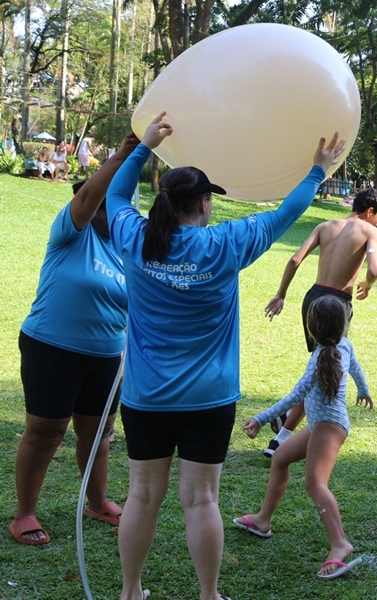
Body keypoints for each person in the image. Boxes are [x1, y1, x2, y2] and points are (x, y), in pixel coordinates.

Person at [106, 112, 345, 600]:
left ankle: (131, 592)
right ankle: (208, 594)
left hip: (146, 396)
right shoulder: (225, 243)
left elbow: (114, 197)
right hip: (208, 398)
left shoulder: (135, 236)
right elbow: (286, 213)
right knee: (200, 500)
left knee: (142, 497)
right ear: (204, 203)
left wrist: (142, 147)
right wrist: (318, 170)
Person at [10, 132, 139, 547]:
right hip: (52, 347)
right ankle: (25, 513)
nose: (100, 206)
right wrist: (121, 156)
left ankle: (97, 501)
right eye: (96, 199)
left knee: (98, 433)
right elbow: (84, 203)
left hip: (106, 356)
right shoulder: (71, 233)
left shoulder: (127, 248)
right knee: (45, 432)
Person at [234, 296, 373, 579]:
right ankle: (262, 520)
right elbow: (357, 368)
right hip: (323, 424)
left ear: (311, 328)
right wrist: (364, 390)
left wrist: (260, 419)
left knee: (315, 484)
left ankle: (339, 543)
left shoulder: (321, 356)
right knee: (281, 458)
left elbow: (296, 396)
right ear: (342, 324)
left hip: (328, 426)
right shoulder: (343, 345)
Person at [262, 187, 377, 457]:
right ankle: (282, 435)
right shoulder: (370, 231)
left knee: (321, 366)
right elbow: (374, 270)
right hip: (337, 303)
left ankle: (281, 432)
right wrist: (369, 283)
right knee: (325, 370)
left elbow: (295, 259)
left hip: (313, 299)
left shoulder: (325, 226)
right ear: (369, 211)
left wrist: (281, 295)